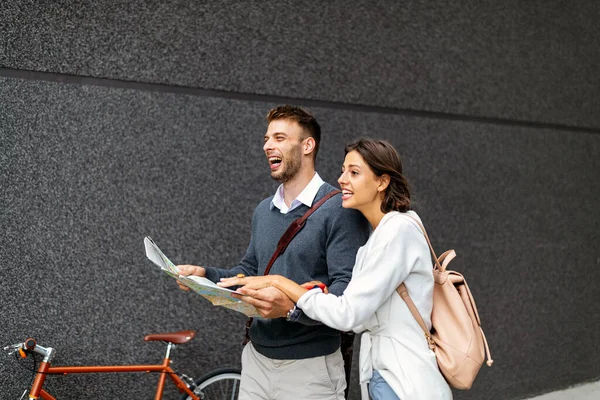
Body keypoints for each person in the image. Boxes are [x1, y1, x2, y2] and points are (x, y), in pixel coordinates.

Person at [219, 138, 453, 400]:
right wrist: (319, 293)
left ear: (382, 182)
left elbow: (348, 315)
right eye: (343, 170)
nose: (342, 179)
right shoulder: (379, 235)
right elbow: (360, 313)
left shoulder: (398, 232)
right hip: (386, 374)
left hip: (403, 380)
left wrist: (283, 284)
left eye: (354, 172)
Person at [176, 105, 370, 400]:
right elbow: (250, 272)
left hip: (310, 370)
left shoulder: (340, 210)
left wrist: (291, 310)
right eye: (267, 139)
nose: (268, 146)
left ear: (307, 145)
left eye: (279, 137)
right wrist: (206, 275)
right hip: (255, 361)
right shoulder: (263, 211)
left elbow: (345, 295)